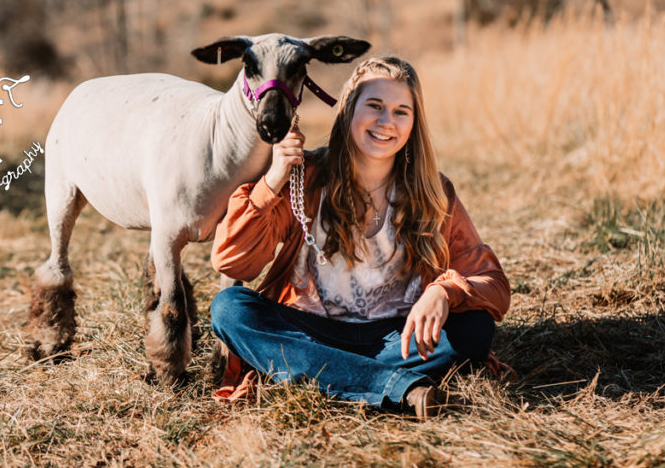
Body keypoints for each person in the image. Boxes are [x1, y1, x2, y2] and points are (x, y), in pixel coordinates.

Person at [209, 56, 510, 417]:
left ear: (414, 124)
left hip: (397, 339)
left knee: (474, 330)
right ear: (350, 108)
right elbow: (232, 260)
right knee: (230, 310)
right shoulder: (304, 179)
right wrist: (273, 180)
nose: (387, 122)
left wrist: (443, 291)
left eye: (401, 111)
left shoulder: (434, 193)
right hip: (309, 331)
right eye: (375, 106)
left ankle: (326, 374)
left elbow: (493, 283)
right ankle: (399, 387)